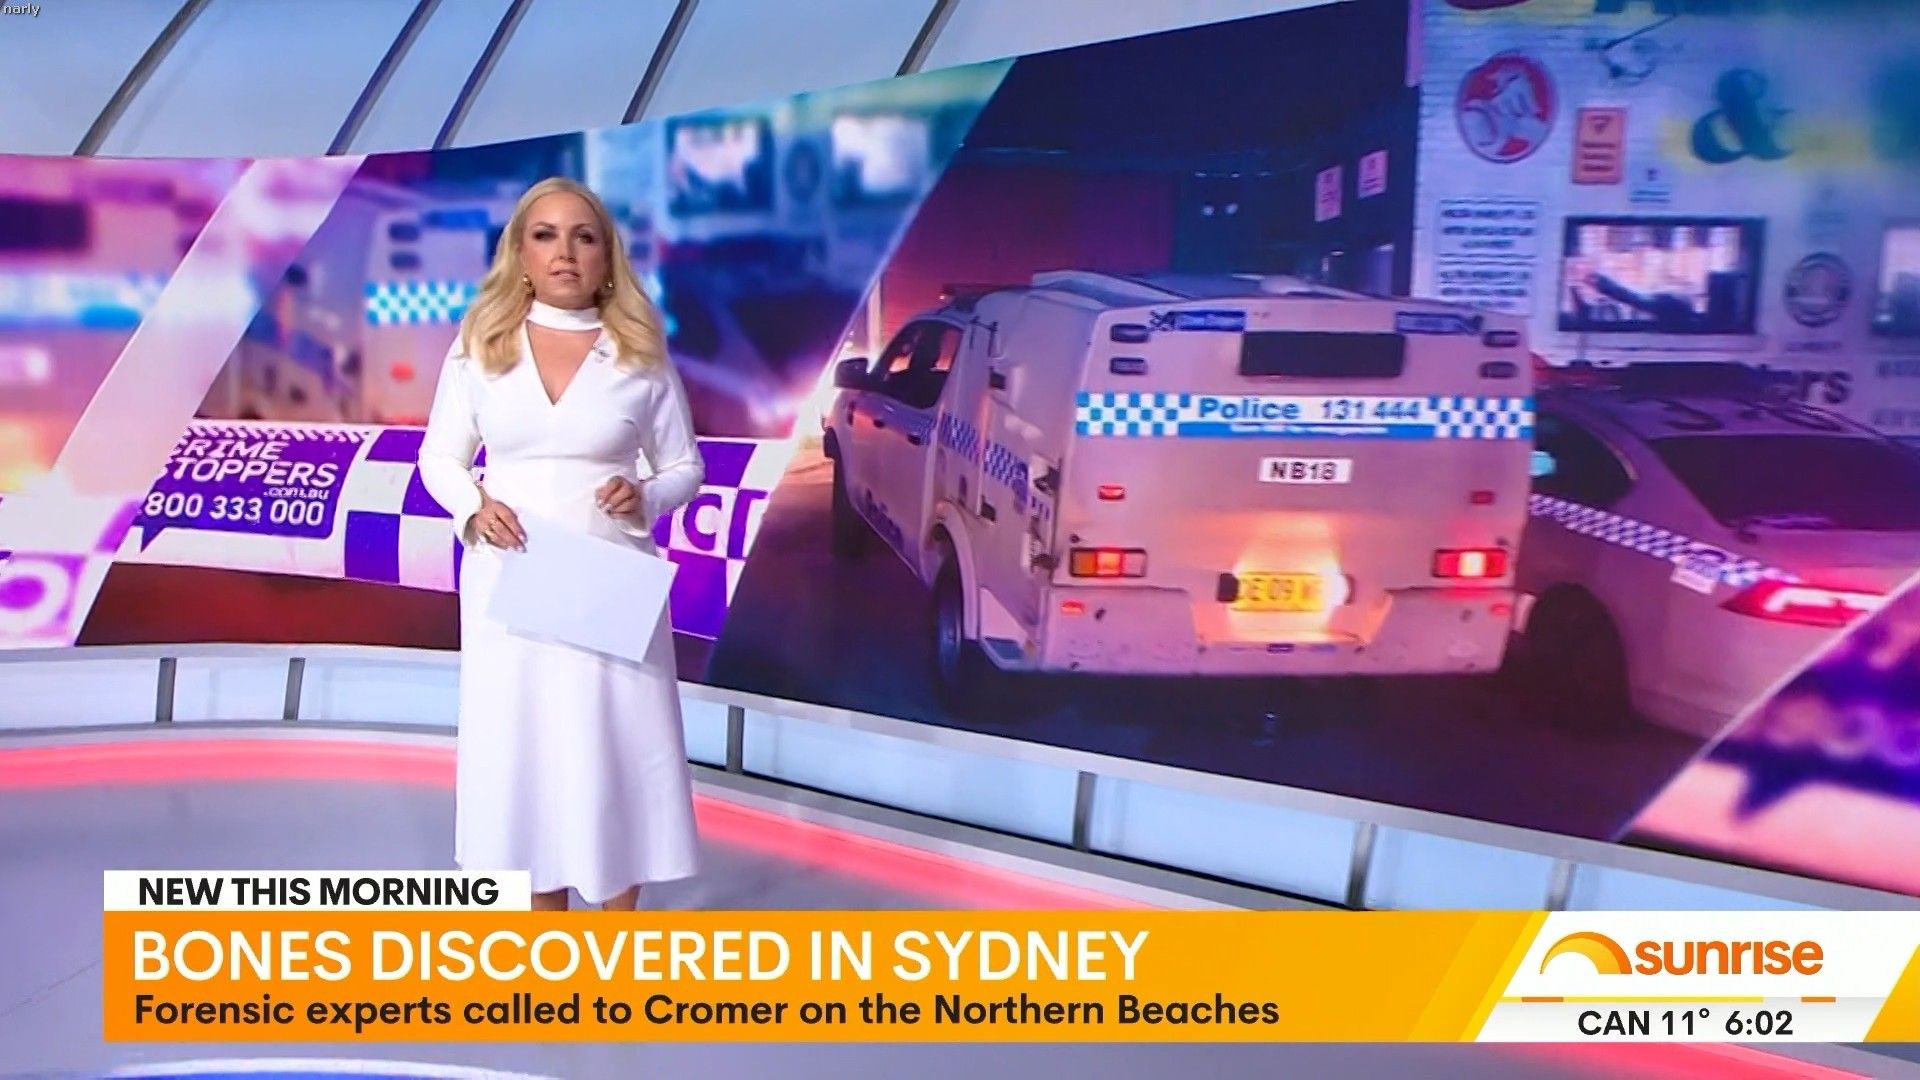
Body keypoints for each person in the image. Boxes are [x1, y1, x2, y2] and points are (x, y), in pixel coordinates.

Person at [416, 176, 703, 912]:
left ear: (607, 255)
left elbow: (683, 466)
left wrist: (646, 497)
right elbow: (439, 457)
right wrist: (474, 507)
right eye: (544, 235)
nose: (564, 252)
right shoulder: (479, 348)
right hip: (509, 585)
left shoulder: (639, 353)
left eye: (583, 236)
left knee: (613, 751)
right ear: (520, 253)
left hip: (610, 582)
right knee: (526, 757)